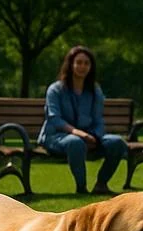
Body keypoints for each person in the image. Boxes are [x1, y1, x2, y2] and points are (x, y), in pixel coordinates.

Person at [39, 45, 127, 194]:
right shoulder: (55, 90)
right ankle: (82, 188)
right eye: (78, 62)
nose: (82, 66)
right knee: (75, 142)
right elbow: (55, 119)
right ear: (71, 64)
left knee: (116, 142)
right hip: (57, 137)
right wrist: (79, 134)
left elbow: (98, 120)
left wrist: (96, 138)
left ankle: (101, 184)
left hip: (88, 137)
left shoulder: (95, 91)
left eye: (86, 63)